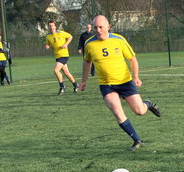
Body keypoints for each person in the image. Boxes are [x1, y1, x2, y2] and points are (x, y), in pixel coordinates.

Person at [78, 15, 161, 151]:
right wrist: (84, 81)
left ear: (108, 27)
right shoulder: (89, 44)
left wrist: (136, 77)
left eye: (101, 27)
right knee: (117, 111)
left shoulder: (119, 40)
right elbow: (87, 62)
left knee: (139, 111)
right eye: (95, 27)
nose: (98, 30)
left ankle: (148, 104)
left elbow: (132, 58)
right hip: (107, 85)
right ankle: (137, 140)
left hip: (125, 82)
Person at [44, 20, 78, 95]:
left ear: (55, 26)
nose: (51, 27)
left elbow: (70, 37)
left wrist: (66, 44)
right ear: (48, 27)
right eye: (50, 26)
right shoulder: (48, 37)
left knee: (56, 70)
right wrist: (47, 46)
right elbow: (48, 44)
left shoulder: (61, 33)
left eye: (52, 25)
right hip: (57, 56)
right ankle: (76, 85)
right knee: (66, 72)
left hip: (64, 55)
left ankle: (62, 86)